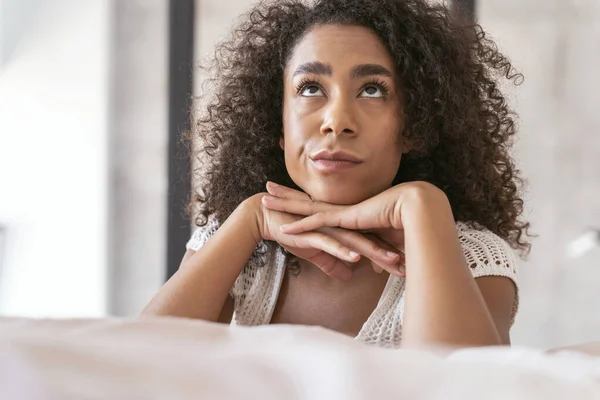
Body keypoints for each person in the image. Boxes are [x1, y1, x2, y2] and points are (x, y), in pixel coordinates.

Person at [142, 0, 531, 349]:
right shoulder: (239, 243)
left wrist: (423, 208)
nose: (337, 121)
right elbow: (137, 366)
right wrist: (250, 218)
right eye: (310, 88)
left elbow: (462, 388)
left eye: (373, 90)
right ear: (277, 125)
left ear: (414, 126)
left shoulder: (472, 257)